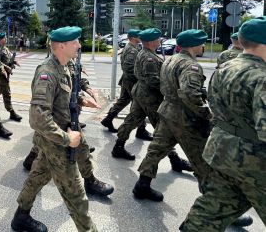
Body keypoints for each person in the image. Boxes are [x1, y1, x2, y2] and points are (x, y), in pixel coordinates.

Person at [180, 19, 266, 231]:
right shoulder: (262, 77)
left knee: (207, 215)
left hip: (223, 153)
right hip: (255, 162)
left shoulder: (226, 67)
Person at [11, 26, 99, 232]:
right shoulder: (47, 73)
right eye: (75, 42)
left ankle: (20, 217)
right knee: (76, 195)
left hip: (61, 134)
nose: (79, 45)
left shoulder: (64, 66)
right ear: (61, 45)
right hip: (57, 142)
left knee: (38, 175)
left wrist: (81, 100)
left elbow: (62, 99)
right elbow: (37, 118)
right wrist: (67, 139)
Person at [111, 28, 192, 175]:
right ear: (151, 41)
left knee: (132, 119)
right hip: (149, 97)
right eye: (158, 39)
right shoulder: (149, 58)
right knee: (162, 129)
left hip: (141, 93)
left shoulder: (146, 53)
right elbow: (152, 80)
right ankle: (175, 160)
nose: (160, 41)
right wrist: (170, 88)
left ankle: (118, 146)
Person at [101, 29, 151, 139]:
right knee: (140, 105)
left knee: (123, 101)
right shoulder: (132, 50)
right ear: (133, 38)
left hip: (128, 80)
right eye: (138, 36)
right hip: (131, 81)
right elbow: (128, 68)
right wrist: (139, 79)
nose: (140, 38)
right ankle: (141, 130)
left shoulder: (133, 48)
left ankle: (108, 119)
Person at [0, 32, 22, 121]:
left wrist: (14, 62)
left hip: (7, 73)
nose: (5, 39)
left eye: (5, 38)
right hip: (2, 74)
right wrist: (6, 68)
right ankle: (11, 112)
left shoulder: (5, 48)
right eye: (4, 38)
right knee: (7, 93)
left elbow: (8, 59)